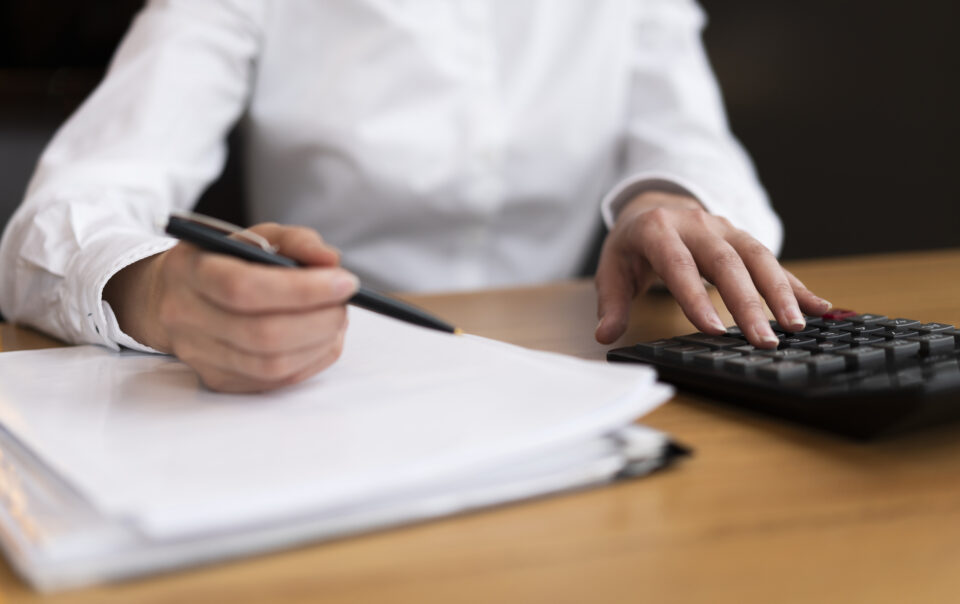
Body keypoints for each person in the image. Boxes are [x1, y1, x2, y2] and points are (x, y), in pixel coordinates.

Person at [0, 0, 829, 392]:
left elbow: (695, 145)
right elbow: (57, 218)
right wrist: (157, 291)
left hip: (552, 374)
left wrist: (661, 201)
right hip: (313, 385)